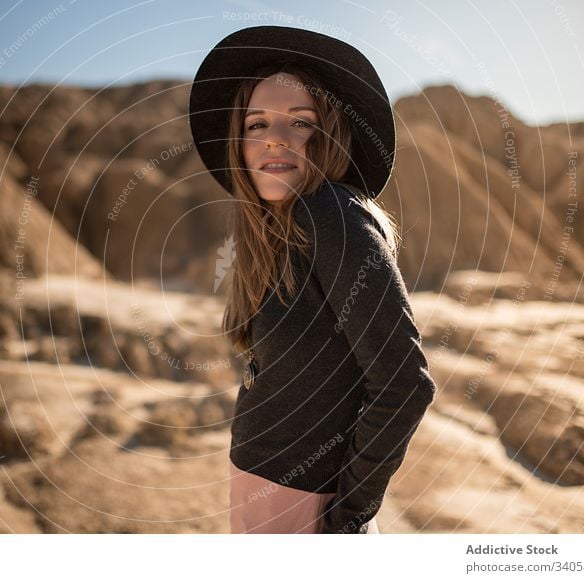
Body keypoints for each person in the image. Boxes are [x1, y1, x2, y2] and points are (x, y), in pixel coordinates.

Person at [189, 25, 437, 534]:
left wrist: (347, 517)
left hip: (304, 506)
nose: (275, 138)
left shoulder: (332, 214)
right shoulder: (281, 228)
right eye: (256, 124)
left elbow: (404, 383)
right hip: (261, 488)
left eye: (299, 123)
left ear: (329, 136)